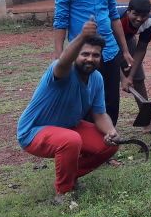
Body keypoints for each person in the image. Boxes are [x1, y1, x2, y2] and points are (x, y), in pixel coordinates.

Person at [18, 19, 119, 204]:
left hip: (69, 127)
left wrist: (111, 132)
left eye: (96, 55)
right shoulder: (62, 71)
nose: (90, 59)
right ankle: (64, 193)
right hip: (34, 131)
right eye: (85, 54)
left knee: (110, 145)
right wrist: (82, 36)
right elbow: (63, 61)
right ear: (75, 54)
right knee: (71, 140)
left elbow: (99, 114)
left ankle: (70, 175)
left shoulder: (96, 78)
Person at [53, 0, 132, 126]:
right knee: (86, 101)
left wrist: (125, 50)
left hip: (110, 51)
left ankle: (108, 139)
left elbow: (114, 17)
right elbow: (60, 20)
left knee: (111, 101)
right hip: (84, 53)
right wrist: (59, 54)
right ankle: (88, 142)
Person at [119, 0, 151, 133]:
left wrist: (130, 76)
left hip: (128, 39)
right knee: (107, 80)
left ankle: (147, 122)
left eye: (143, 15)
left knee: (138, 78)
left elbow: (141, 49)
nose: (139, 19)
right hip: (105, 40)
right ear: (128, 11)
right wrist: (122, 78)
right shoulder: (116, 18)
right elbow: (109, 52)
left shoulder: (149, 22)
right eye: (135, 14)